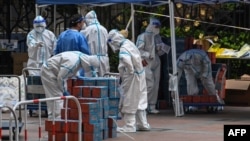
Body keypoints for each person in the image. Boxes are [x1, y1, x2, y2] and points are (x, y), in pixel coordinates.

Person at [108, 29, 150, 133]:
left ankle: (130, 125)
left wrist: (130, 71)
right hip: (140, 74)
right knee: (140, 99)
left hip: (132, 77)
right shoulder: (130, 43)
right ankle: (142, 124)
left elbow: (125, 59)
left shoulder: (123, 48)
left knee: (129, 100)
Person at [40, 51, 99, 119]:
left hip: (53, 70)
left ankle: (53, 119)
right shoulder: (72, 62)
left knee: (55, 97)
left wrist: (77, 76)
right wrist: (64, 91)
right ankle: (57, 120)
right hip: (49, 71)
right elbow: (61, 78)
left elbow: (74, 69)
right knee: (57, 96)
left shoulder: (80, 57)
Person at [136, 17, 170, 114]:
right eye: (156, 26)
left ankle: (152, 105)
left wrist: (160, 49)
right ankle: (143, 106)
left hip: (156, 61)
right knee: (148, 84)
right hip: (146, 61)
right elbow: (138, 50)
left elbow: (160, 51)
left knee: (155, 84)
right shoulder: (143, 36)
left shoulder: (157, 37)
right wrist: (147, 54)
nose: (157, 28)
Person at [80, 10, 110, 77]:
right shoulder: (104, 29)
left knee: (91, 82)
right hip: (104, 59)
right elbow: (109, 41)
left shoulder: (85, 30)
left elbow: (81, 45)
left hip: (91, 59)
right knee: (104, 80)